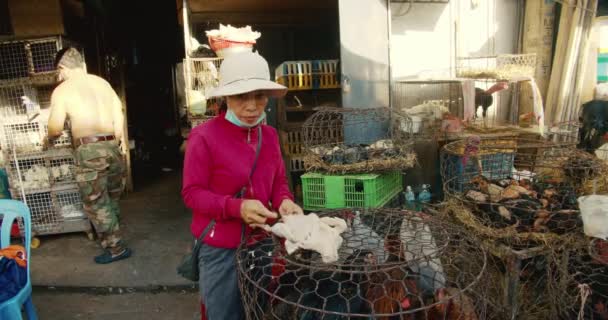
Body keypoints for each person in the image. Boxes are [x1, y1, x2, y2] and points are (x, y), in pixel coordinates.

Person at [181, 51, 303, 320]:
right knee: (223, 314)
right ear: (226, 98)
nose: (252, 106)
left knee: (258, 310)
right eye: (241, 97)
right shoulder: (203, 137)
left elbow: (279, 181)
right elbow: (192, 194)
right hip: (220, 249)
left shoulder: (268, 135)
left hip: (260, 244)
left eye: (259, 96)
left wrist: (284, 200)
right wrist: (237, 208)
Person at [47, 47, 131, 264]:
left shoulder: (63, 89)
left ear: (62, 68)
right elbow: (117, 112)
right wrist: (116, 140)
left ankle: (115, 248)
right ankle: (116, 238)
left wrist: (47, 139)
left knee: (96, 202)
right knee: (111, 199)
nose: (59, 77)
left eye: (59, 73)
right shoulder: (102, 83)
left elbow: (55, 128)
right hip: (112, 146)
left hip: (89, 151)